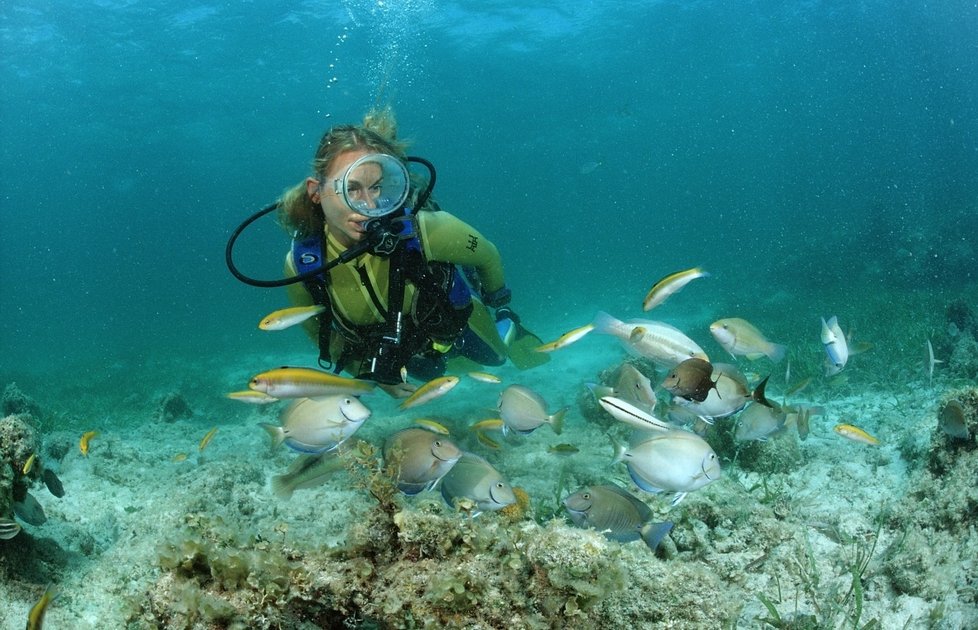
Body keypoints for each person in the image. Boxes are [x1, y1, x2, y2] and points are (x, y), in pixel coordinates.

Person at [276, 108, 545, 397]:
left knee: (497, 358)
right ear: (316, 192)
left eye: (376, 187)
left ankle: (503, 320)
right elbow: (318, 330)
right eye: (351, 189)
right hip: (399, 350)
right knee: (433, 373)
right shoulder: (303, 264)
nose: (367, 205)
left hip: (458, 327)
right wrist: (370, 375)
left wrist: (498, 299)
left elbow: (487, 255)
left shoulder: (425, 229)